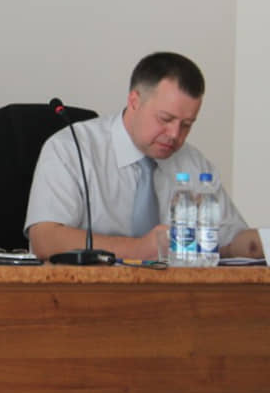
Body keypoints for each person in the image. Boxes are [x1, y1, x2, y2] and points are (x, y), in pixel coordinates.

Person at [25, 51, 262, 260]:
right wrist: (138, 249)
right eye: (165, 119)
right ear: (134, 101)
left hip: (175, 294)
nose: (174, 134)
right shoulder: (71, 148)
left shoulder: (193, 163)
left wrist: (257, 243)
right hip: (85, 292)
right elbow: (45, 239)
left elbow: (232, 238)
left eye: (187, 124)